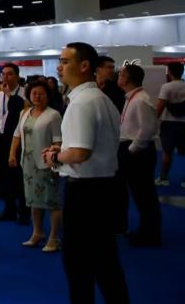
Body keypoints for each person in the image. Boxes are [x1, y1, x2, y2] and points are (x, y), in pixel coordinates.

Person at [42, 42, 129, 304]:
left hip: (86, 192)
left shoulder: (82, 102)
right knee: (105, 262)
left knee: (78, 263)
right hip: (103, 187)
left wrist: (55, 156)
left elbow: (80, 153)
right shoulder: (99, 99)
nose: (59, 67)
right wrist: (62, 150)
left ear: (84, 66)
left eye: (64, 61)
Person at [9, 80, 63, 252]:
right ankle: (37, 232)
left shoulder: (53, 115)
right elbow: (17, 135)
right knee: (33, 200)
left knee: (52, 200)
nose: (37, 96)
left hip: (46, 162)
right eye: (34, 93)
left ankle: (54, 238)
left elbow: (58, 140)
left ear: (48, 96)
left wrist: (54, 158)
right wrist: (12, 154)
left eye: (41, 94)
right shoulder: (25, 113)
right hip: (28, 162)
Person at [116, 64, 161, 247]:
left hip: (138, 152)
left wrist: (131, 150)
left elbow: (147, 129)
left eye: (121, 74)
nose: (118, 76)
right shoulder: (132, 98)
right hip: (133, 149)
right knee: (140, 194)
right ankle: (145, 231)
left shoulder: (140, 100)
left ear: (127, 78)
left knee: (144, 195)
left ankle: (150, 235)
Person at [0, 63, 29, 224]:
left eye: (9, 74)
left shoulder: (25, 93)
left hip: (18, 138)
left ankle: (24, 211)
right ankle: (9, 209)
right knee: (3, 175)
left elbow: (24, 110)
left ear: (17, 76)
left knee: (18, 176)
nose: (5, 77)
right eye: (3, 74)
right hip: (1, 137)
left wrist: (9, 95)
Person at [155, 62, 185, 187]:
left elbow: (160, 106)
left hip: (170, 124)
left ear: (169, 72)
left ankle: (163, 178)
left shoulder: (167, 87)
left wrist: (152, 121)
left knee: (167, 153)